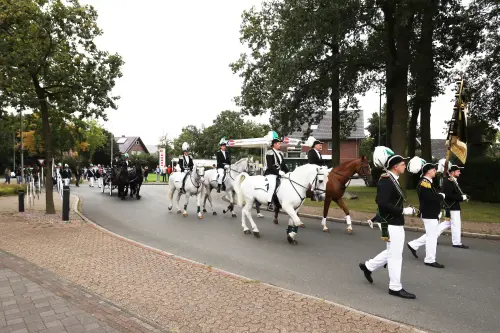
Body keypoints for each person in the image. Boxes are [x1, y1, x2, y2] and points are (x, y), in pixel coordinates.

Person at [359, 154, 417, 299]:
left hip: (393, 221)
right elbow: (382, 203)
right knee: (396, 255)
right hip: (390, 222)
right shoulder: (387, 181)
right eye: (403, 164)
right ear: (396, 166)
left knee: (392, 251)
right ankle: (395, 287)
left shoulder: (392, 179)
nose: (405, 166)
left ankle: (368, 266)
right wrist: (403, 211)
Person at [407, 162, 446, 268]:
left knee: (431, 236)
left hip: (431, 212)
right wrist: (441, 196)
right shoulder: (424, 183)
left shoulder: (428, 182)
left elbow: (432, 195)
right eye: (434, 170)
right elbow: (430, 198)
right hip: (429, 213)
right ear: (428, 171)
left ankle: (413, 245)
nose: (435, 171)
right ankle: (429, 259)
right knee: (432, 238)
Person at [439, 165, 469, 248]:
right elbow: (448, 195)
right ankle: (456, 242)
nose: (460, 173)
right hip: (451, 206)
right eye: (458, 171)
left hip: (453, 206)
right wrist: (461, 198)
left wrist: (463, 197)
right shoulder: (448, 181)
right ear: (452, 172)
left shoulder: (452, 180)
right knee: (455, 224)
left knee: (447, 223)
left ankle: (431, 236)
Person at [264, 137, 289, 211]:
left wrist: (289, 172)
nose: (280, 145)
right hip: (271, 173)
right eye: (278, 143)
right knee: (272, 185)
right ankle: (269, 203)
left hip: (279, 173)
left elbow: (283, 165)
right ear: (274, 144)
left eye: (280, 144)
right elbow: (270, 166)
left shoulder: (280, 153)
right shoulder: (269, 152)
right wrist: (278, 172)